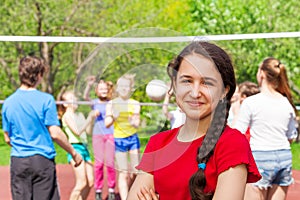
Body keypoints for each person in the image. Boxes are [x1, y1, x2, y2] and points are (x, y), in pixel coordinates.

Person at [127, 41, 261, 200]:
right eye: (187, 80)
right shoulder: (158, 143)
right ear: (175, 86)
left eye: (207, 82)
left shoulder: (231, 143)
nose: (195, 92)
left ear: (224, 91)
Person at [1, 56, 82, 200]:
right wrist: (73, 152)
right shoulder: (46, 100)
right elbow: (55, 133)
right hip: (42, 160)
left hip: (19, 161)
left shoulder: (8, 103)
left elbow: (7, 137)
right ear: (39, 75)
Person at [233, 57, 298, 200]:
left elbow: (238, 133)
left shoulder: (251, 102)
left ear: (261, 73)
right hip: (283, 156)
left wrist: (236, 111)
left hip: (260, 155)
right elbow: (291, 136)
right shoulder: (286, 102)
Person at [105, 74, 141, 200]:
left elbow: (136, 124)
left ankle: (131, 192)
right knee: (123, 172)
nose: (124, 88)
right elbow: (107, 123)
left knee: (136, 171)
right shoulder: (111, 104)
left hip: (132, 139)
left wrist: (133, 122)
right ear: (117, 88)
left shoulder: (135, 104)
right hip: (119, 139)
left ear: (131, 88)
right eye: (121, 86)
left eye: (127, 86)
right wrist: (113, 116)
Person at [83, 76, 116, 200]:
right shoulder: (95, 103)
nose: (103, 91)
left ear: (108, 90)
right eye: (100, 88)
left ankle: (112, 189)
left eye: (105, 88)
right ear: (97, 90)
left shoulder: (111, 102)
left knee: (110, 163)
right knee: (98, 164)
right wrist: (89, 84)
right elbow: (85, 97)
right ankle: (98, 190)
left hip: (110, 134)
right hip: (97, 135)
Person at [59, 91, 96, 200]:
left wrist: (91, 120)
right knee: (81, 183)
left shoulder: (79, 115)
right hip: (75, 147)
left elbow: (87, 131)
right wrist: (89, 118)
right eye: (71, 98)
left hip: (84, 148)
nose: (75, 100)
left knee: (90, 182)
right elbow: (77, 131)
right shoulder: (67, 116)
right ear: (65, 104)